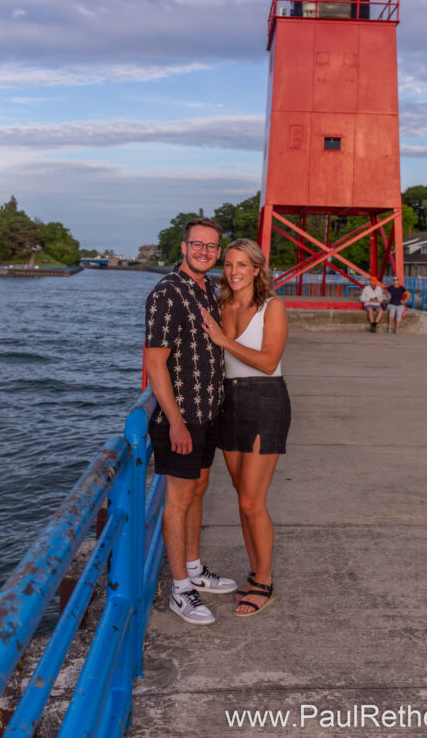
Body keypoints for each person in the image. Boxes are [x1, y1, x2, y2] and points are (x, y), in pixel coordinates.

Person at [144, 217, 237, 626]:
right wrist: (176, 423)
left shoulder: (209, 289)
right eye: (197, 245)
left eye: (211, 246)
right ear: (183, 247)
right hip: (180, 416)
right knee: (178, 499)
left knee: (198, 489)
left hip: (208, 408)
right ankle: (179, 589)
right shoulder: (167, 292)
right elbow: (155, 363)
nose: (204, 252)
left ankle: (195, 569)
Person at [200, 238, 291, 617]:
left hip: (265, 400)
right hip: (229, 401)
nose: (235, 272)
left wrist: (222, 340)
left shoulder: (273, 307)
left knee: (253, 500)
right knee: (242, 496)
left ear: (257, 269)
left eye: (243, 265)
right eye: (230, 264)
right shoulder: (220, 306)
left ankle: (265, 581)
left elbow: (269, 361)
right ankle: (254, 572)